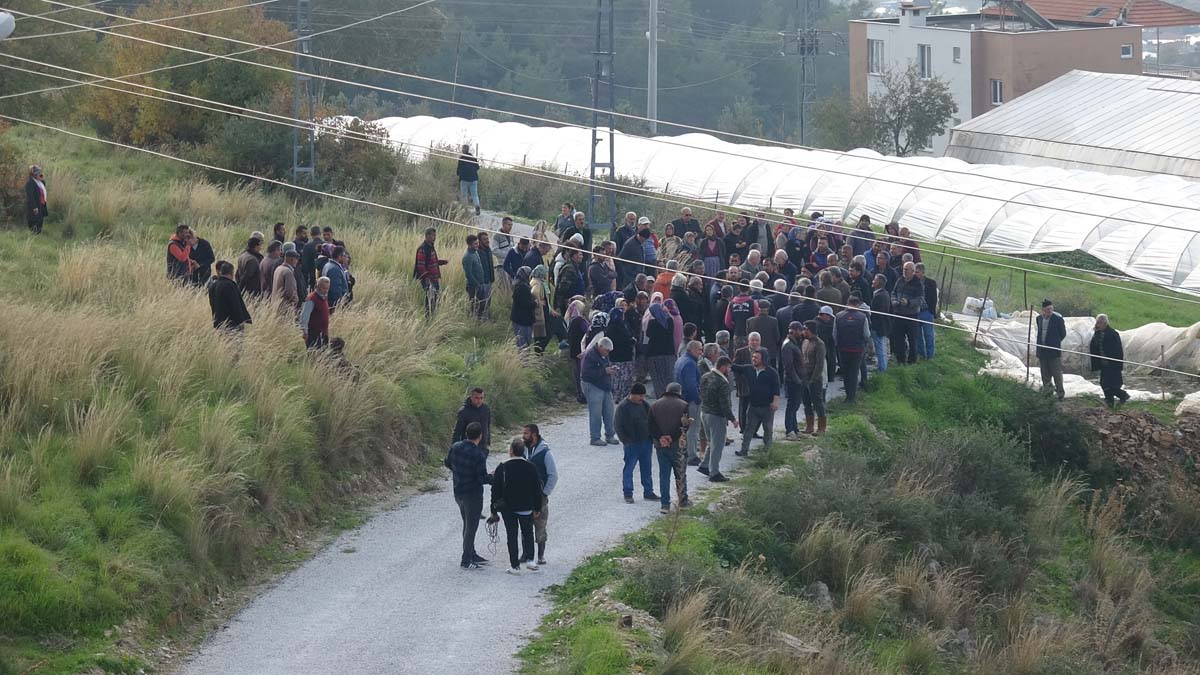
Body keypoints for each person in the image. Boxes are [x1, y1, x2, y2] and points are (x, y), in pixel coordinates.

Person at [487, 438, 541, 575]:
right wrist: (537, 507)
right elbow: (537, 489)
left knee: (512, 535)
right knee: (528, 532)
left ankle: (515, 566)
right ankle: (530, 560)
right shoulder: (531, 467)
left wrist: (494, 511)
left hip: (508, 508)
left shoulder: (502, 467)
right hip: (526, 506)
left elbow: (495, 490)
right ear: (523, 452)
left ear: (511, 450)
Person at [444, 422, 490, 570]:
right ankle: (466, 559)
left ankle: (471, 552)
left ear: (466, 433)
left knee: (466, 523)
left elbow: (447, 463)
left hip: (458, 491)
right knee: (471, 527)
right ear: (480, 436)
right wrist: (495, 477)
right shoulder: (478, 455)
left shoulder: (455, 447)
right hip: (473, 495)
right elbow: (482, 478)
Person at [650, 382, 691, 514]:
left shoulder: (654, 405)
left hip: (660, 445)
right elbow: (684, 426)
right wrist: (671, 438)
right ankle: (683, 501)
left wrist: (661, 437)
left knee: (664, 474)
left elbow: (650, 425)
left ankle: (665, 505)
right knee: (680, 474)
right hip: (677, 445)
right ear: (679, 392)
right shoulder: (683, 405)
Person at [732, 348, 780, 457]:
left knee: (767, 430)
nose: (753, 359)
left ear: (763, 359)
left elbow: (776, 389)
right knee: (748, 430)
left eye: (756, 358)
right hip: (753, 406)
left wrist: (775, 402)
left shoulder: (772, 373)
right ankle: (743, 450)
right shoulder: (749, 369)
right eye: (753, 357)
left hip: (767, 407)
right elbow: (735, 367)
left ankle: (767, 452)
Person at [615, 383, 658, 503]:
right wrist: (626, 441)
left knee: (647, 469)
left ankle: (648, 492)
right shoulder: (623, 407)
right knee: (629, 469)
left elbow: (652, 421)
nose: (642, 398)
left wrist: (653, 438)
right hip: (632, 444)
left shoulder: (645, 405)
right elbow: (618, 426)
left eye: (643, 396)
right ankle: (628, 493)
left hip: (646, 442)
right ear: (632, 395)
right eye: (640, 396)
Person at [523, 424, 557, 566]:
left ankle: (541, 555)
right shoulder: (523, 449)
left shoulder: (545, 452)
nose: (523, 436)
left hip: (540, 496)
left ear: (534, 434)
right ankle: (526, 554)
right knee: (525, 525)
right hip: (525, 495)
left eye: (526, 433)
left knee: (540, 525)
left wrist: (544, 493)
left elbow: (553, 475)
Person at [699, 356, 736, 481]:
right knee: (718, 445)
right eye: (729, 368)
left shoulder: (705, 377)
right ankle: (714, 472)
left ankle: (705, 465)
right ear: (723, 367)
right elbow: (724, 404)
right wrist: (732, 419)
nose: (729, 371)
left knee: (711, 442)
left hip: (704, 413)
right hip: (716, 416)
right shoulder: (722, 382)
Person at [581, 337, 620, 446]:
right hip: (592, 386)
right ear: (600, 346)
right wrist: (605, 371)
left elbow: (604, 367)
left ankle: (610, 435)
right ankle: (595, 438)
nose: (608, 353)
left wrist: (611, 368)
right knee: (596, 413)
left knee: (609, 411)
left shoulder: (603, 354)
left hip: (604, 386)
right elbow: (585, 374)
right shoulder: (590, 355)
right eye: (606, 350)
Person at [834, 296, 871, 404]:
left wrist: (838, 344)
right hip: (857, 349)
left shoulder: (838, 316)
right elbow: (867, 335)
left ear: (847, 303)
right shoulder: (862, 317)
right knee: (854, 373)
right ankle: (852, 397)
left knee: (846, 373)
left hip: (843, 348)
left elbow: (834, 334)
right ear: (857, 305)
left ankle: (847, 395)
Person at [1090, 314, 1130, 408]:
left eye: (1099, 323)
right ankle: (1110, 401)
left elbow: (1117, 351)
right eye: (1097, 323)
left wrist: (1116, 364)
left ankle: (1123, 395)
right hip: (1104, 364)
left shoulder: (1112, 334)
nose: (1097, 324)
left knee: (1109, 385)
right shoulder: (1098, 333)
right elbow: (1094, 345)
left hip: (1112, 364)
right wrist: (1096, 333)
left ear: (1104, 323)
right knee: (1104, 384)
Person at [674, 340, 704, 465]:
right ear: (691, 350)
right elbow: (691, 384)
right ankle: (691, 456)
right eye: (699, 349)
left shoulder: (681, 360)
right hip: (690, 400)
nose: (701, 352)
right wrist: (697, 399)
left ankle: (683, 451)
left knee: (684, 428)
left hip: (681, 399)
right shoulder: (690, 364)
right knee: (693, 428)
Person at [798, 321, 828, 435]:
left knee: (818, 403)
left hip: (814, 378)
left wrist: (813, 379)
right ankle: (809, 426)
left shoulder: (819, 344)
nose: (803, 331)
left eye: (805, 329)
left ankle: (821, 428)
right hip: (804, 377)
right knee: (806, 403)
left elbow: (819, 364)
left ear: (810, 330)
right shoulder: (805, 342)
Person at [643, 296, 677, 397]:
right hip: (669, 354)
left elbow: (648, 334)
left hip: (655, 354)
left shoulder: (652, 323)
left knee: (658, 380)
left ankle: (661, 399)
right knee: (669, 378)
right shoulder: (669, 321)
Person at [892, 262, 924, 365]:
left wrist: (909, 302)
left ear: (913, 271)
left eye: (907, 269)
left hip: (911, 315)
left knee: (912, 340)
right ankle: (900, 360)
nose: (904, 271)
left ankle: (912, 362)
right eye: (904, 269)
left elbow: (920, 300)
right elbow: (893, 292)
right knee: (898, 338)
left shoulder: (917, 284)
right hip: (899, 313)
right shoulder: (900, 280)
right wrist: (894, 302)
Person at [1035, 299, 1067, 401]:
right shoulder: (1039, 319)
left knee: (1056, 373)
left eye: (1051, 309)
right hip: (1042, 350)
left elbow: (1063, 334)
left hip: (1053, 351)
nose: (1050, 311)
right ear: (1043, 310)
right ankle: (1048, 392)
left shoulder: (1058, 320)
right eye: (1047, 309)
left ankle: (1060, 393)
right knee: (1045, 373)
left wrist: (1055, 342)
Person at [208, 260, 252, 331]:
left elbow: (212, 304)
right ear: (232, 273)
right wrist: (240, 321)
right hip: (232, 324)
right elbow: (236, 305)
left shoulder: (213, 286)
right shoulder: (230, 285)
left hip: (218, 323)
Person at [606, 305, 637, 403]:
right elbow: (626, 339)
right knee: (625, 378)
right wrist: (631, 341)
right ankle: (623, 397)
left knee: (616, 379)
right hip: (624, 357)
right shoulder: (622, 327)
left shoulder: (610, 327)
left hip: (615, 357)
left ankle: (616, 397)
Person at [413, 228, 448, 315]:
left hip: (434, 278)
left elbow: (431, 262)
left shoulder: (431, 247)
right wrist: (427, 277)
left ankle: (433, 315)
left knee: (436, 298)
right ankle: (428, 317)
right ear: (427, 236)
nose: (434, 237)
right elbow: (421, 266)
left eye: (435, 235)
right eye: (432, 235)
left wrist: (440, 262)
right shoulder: (423, 249)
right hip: (428, 279)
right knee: (429, 298)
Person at [780, 322, 805, 440]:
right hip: (793, 380)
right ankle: (789, 430)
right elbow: (788, 366)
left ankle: (795, 428)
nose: (801, 333)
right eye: (800, 330)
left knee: (795, 405)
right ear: (794, 330)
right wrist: (796, 379)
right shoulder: (788, 345)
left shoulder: (794, 343)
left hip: (797, 379)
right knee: (791, 405)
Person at [452, 387, 491, 452]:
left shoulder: (486, 409)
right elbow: (457, 431)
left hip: (482, 447)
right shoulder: (464, 411)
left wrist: (488, 442)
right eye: (477, 398)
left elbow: (488, 426)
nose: (479, 400)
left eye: (481, 398)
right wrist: (455, 448)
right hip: (467, 447)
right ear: (471, 397)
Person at [913, 263, 938, 359]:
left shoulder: (931, 283)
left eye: (917, 272)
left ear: (923, 272)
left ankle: (930, 355)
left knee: (929, 335)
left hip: (926, 312)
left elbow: (934, 298)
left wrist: (932, 311)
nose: (915, 274)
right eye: (915, 272)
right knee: (918, 335)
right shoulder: (913, 283)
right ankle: (921, 354)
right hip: (916, 311)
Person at [746, 300, 781, 367]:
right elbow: (777, 337)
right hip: (770, 353)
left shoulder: (750, 321)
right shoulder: (773, 321)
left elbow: (748, 336)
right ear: (768, 309)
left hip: (755, 353)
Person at [869, 274, 893, 373]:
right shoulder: (885, 294)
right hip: (883, 326)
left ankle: (882, 369)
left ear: (878, 283)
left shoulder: (879, 296)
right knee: (882, 347)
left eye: (874, 280)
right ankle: (883, 366)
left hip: (878, 327)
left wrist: (873, 324)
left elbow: (877, 314)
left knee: (880, 348)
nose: (872, 281)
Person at [299, 277, 331, 349]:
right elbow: (304, 317)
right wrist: (305, 332)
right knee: (315, 356)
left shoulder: (323, 298)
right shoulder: (311, 299)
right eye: (323, 288)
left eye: (327, 288)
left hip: (323, 334)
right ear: (318, 286)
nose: (325, 290)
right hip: (313, 334)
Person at [511, 267, 537, 349]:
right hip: (523, 321)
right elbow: (526, 304)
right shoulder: (523, 287)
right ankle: (524, 361)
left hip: (518, 319)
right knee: (524, 345)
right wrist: (535, 302)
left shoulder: (517, 284)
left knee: (522, 343)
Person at [463, 234, 485, 319]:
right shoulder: (467, 257)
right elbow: (468, 274)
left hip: (480, 284)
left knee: (482, 305)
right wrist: (477, 284)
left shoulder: (475, 253)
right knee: (474, 306)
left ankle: (480, 321)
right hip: (473, 286)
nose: (477, 245)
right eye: (475, 244)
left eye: (477, 243)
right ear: (469, 245)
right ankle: (474, 321)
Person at [457, 143, 481, 215]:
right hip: (473, 179)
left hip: (464, 179)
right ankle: (477, 206)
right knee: (474, 194)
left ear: (463, 150)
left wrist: (458, 174)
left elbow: (459, 169)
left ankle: (465, 209)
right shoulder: (473, 158)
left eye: (462, 149)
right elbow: (477, 167)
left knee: (464, 195)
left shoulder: (461, 158)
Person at [476, 232, 495, 318]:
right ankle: (481, 319)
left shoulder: (489, 250)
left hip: (489, 280)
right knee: (482, 302)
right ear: (479, 241)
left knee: (488, 301)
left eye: (487, 239)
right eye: (484, 239)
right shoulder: (477, 252)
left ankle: (486, 317)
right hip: (482, 281)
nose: (487, 241)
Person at [25, 165, 48, 234]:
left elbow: (43, 189)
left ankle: (38, 234)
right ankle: (33, 235)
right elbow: (30, 197)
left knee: (40, 220)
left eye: (40, 173)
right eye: (38, 173)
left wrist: (41, 179)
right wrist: (34, 207)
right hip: (34, 205)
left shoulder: (41, 182)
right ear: (34, 175)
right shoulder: (30, 183)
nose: (40, 175)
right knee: (34, 220)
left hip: (41, 203)